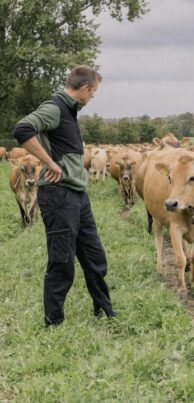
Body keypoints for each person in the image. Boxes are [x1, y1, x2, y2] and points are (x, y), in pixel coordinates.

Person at [13, 65, 116, 326]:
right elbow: (23, 129)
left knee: (95, 256)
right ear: (84, 88)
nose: (92, 98)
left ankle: (104, 311)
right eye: (92, 93)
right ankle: (54, 322)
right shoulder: (55, 107)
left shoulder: (69, 111)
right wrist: (51, 162)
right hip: (59, 196)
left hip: (78, 195)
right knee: (62, 261)